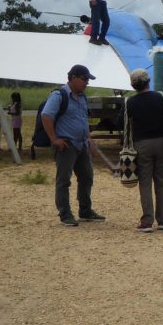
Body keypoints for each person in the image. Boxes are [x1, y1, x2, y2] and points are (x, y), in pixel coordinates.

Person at [41, 64, 106, 227]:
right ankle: (65, 214)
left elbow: (83, 120)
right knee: (64, 180)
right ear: (73, 78)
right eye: (84, 79)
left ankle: (85, 211)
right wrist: (54, 139)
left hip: (81, 144)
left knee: (87, 177)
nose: (86, 83)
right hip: (66, 145)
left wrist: (89, 141)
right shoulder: (59, 95)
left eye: (87, 80)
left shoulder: (82, 97)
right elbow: (46, 115)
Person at [124, 69, 163, 232]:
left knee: (145, 183)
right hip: (162, 142)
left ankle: (147, 221)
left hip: (142, 144)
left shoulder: (131, 102)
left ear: (133, 85)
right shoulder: (159, 97)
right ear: (148, 81)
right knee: (161, 182)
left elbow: (125, 124)